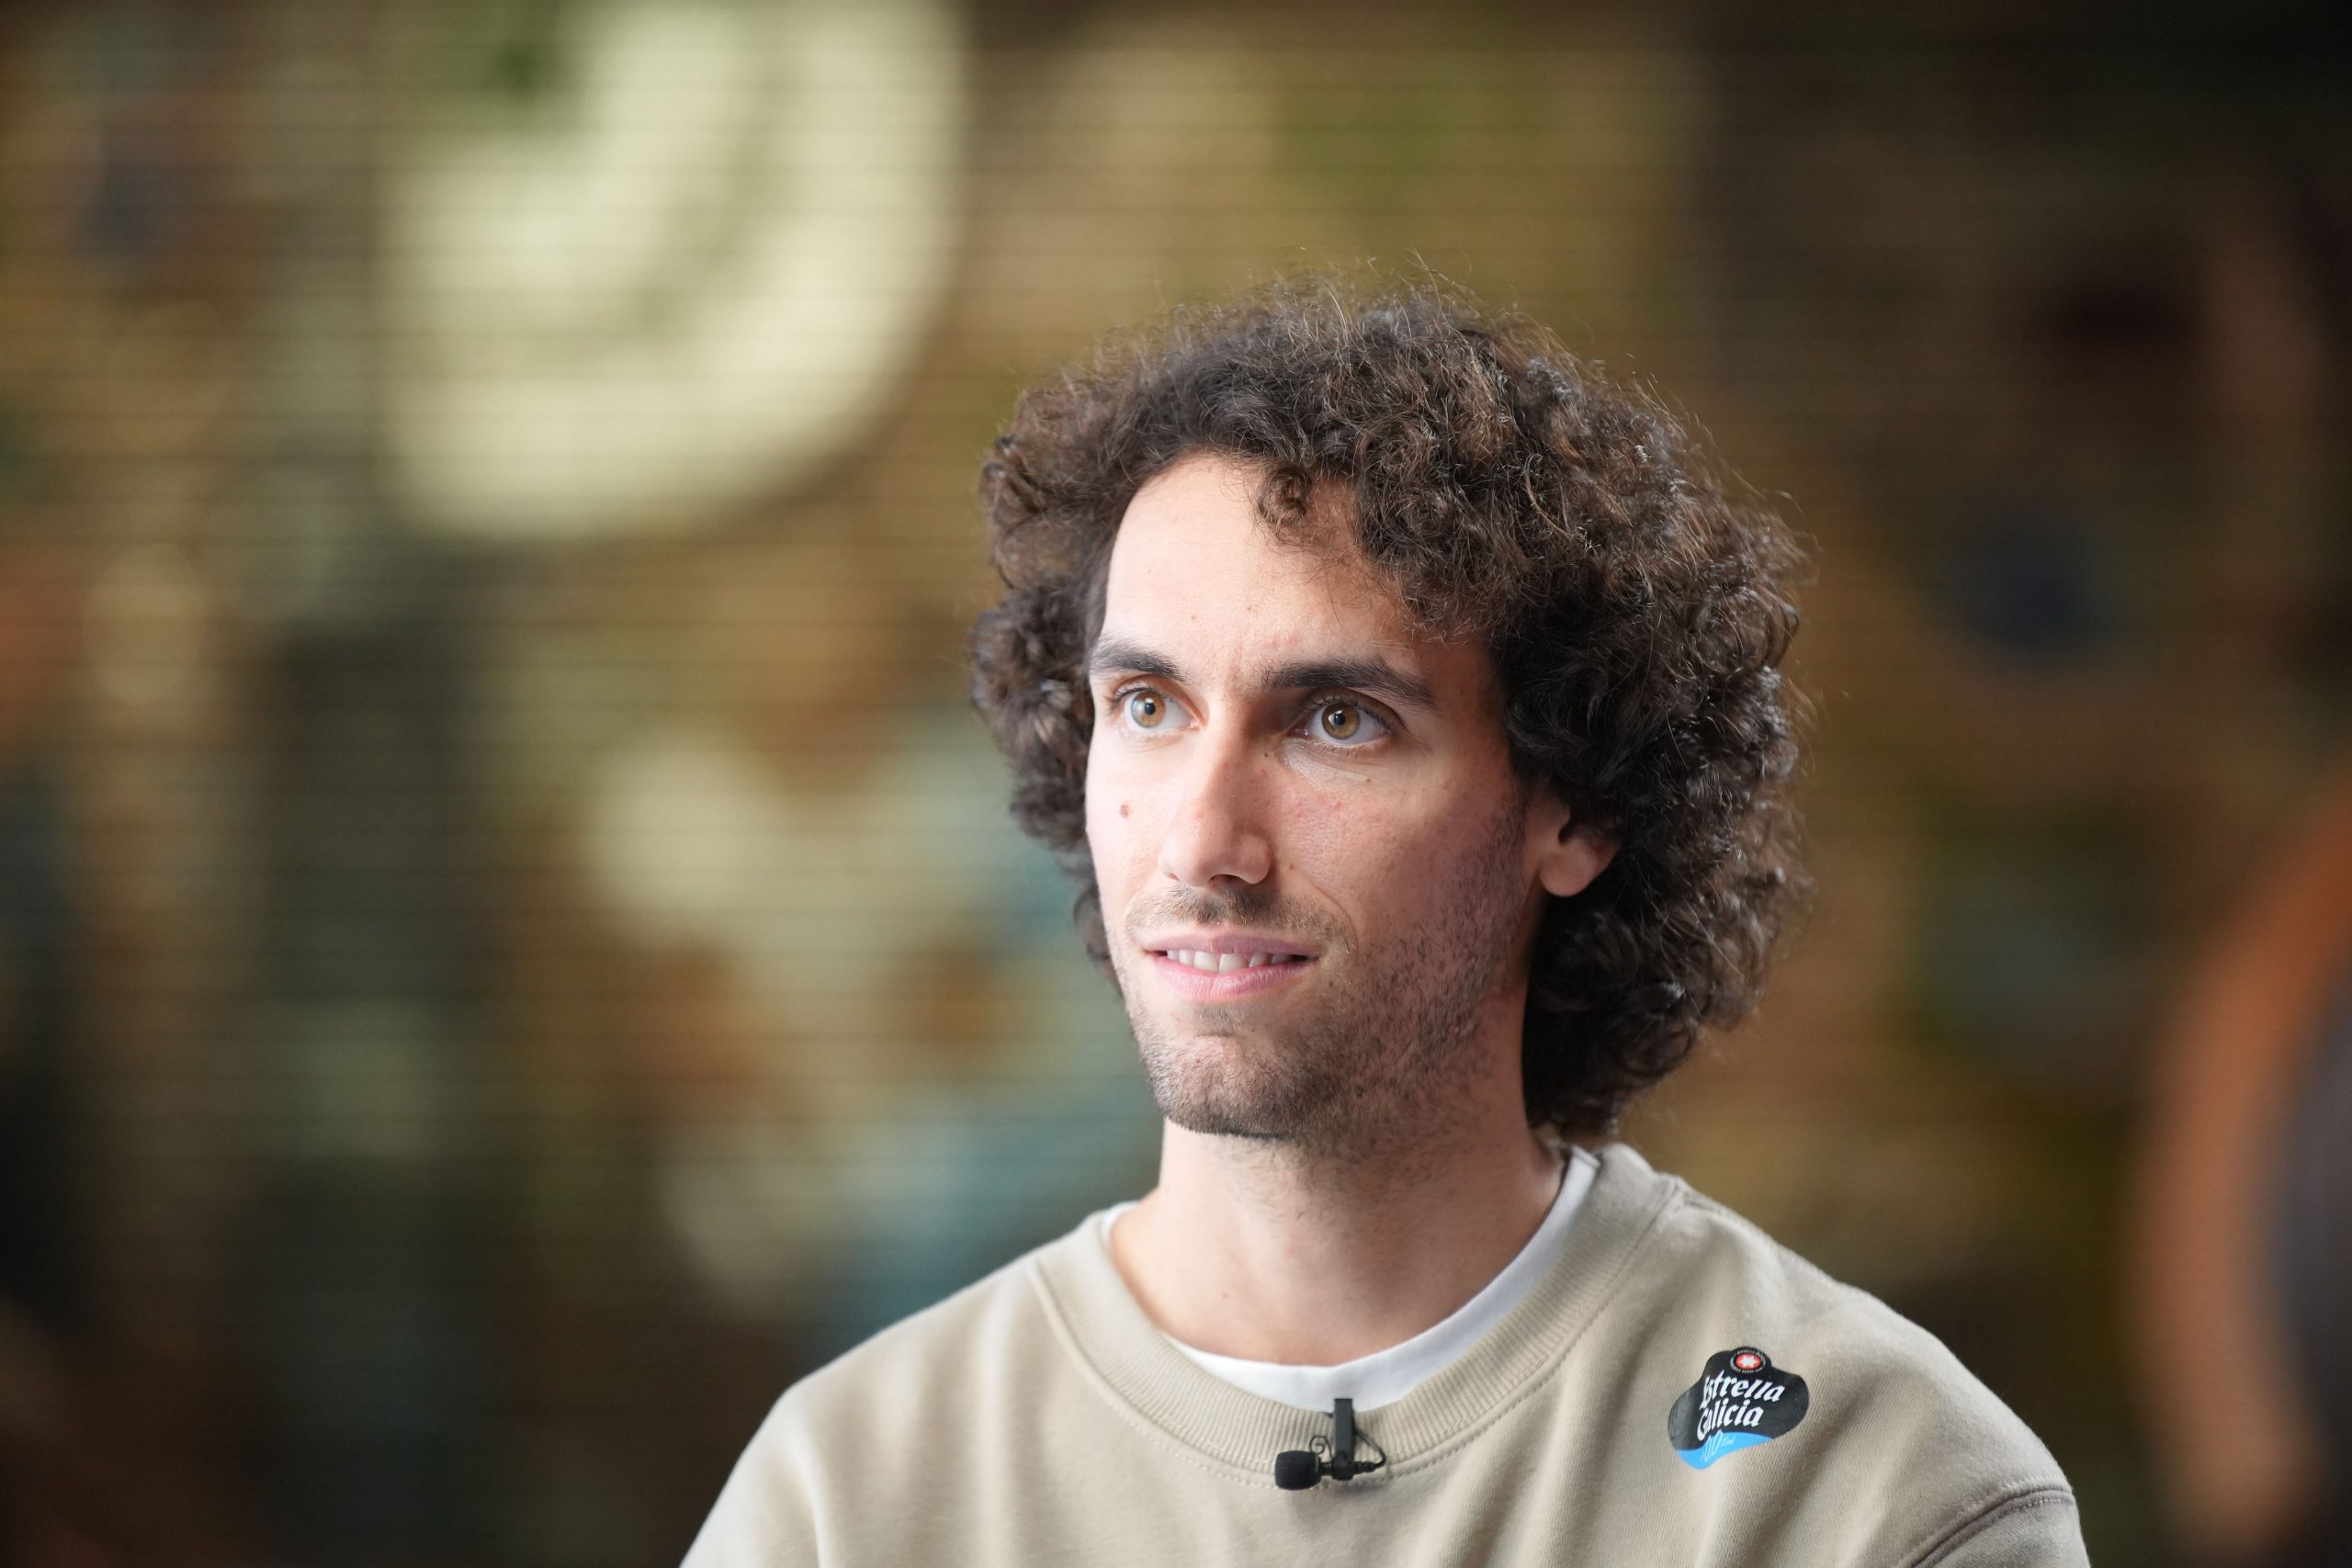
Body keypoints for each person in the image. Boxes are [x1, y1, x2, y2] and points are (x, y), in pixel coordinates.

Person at [683, 276, 2087, 1565]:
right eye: (1149, 707)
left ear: (1575, 811)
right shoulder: (849, 1496)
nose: (1203, 842)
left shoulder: (1867, 1492)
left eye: (1339, 722)